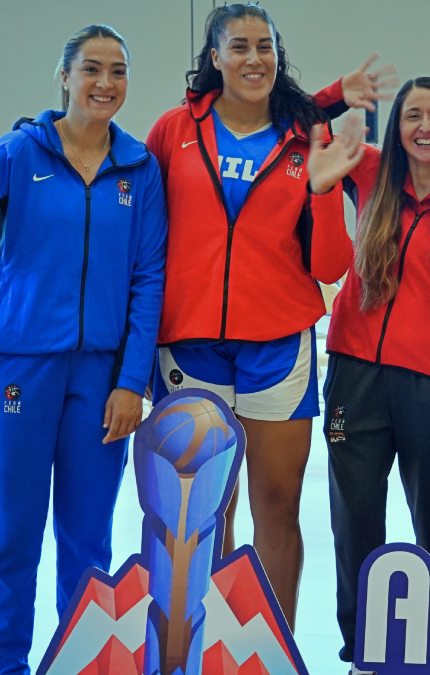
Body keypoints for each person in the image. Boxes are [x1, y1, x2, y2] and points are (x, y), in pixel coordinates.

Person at [145, 3, 369, 630]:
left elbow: (330, 266)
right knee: (203, 508)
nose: (254, 58)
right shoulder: (173, 131)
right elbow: (145, 240)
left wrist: (323, 191)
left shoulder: (305, 138)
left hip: (277, 344)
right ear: (215, 57)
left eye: (264, 46)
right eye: (239, 46)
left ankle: (271, 650)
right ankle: (200, 646)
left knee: (276, 503)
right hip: (190, 343)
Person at [0, 26, 166, 674]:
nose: (105, 82)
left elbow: (148, 277)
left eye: (118, 70)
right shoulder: (19, 152)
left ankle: (80, 663)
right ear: (65, 77)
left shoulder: (139, 168)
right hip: (17, 368)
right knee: (12, 534)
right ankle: (9, 666)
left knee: (88, 540)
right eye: (92, 68)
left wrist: (131, 380)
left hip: (101, 379)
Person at [323, 76, 430, 668]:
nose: (425, 126)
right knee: (355, 519)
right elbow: (296, 124)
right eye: (413, 114)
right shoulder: (369, 170)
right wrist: (338, 93)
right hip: (355, 372)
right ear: (396, 126)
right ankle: (364, 646)